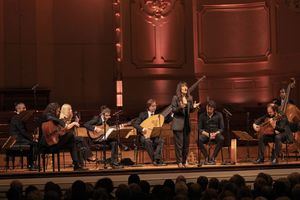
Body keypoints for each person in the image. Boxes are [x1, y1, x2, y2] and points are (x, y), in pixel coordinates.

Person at [39, 102, 84, 171]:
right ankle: (77, 164)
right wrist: (60, 121)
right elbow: (50, 117)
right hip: (48, 145)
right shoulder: (47, 117)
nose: (59, 112)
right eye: (58, 110)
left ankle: (76, 165)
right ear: (53, 110)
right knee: (72, 136)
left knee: (72, 143)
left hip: (54, 142)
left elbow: (58, 130)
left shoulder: (53, 119)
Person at [133, 99, 170, 165]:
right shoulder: (142, 114)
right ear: (148, 107)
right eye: (153, 106)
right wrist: (143, 129)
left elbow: (166, 120)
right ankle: (156, 160)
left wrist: (172, 115)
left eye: (155, 106)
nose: (154, 107)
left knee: (161, 140)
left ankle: (155, 158)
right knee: (148, 141)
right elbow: (135, 124)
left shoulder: (157, 115)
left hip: (154, 136)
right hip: (144, 136)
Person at [171, 81, 200, 168]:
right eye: (183, 86)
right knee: (179, 145)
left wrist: (194, 108)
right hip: (178, 124)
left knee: (186, 144)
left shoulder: (189, 98)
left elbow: (190, 110)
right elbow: (173, 110)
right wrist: (180, 107)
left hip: (187, 124)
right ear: (180, 88)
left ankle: (184, 161)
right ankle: (179, 162)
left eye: (186, 86)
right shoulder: (175, 98)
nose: (185, 88)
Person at [9, 102, 37, 170]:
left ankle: (31, 164)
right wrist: (31, 138)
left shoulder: (20, 117)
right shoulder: (17, 118)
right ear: (18, 109)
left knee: (33, 143)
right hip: (16, 139)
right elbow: (22, 131)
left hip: (19, 137)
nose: (25, 109)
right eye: (24, 108)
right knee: (33, 144)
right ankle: (31, 164)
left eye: (25, 108)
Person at [198, 100, 225, 165]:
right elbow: (200, 129)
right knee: (199, 140)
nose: (209, 109)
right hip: (206, 134)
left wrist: (215, 133)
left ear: (214, 109)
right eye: (208, 108)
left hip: (216, 134)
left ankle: (213, 157)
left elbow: (222, 128)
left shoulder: (219, 115)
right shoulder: (202, 115)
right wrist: (207, 134)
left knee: (221, 139)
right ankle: (207, 157)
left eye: (211, 108)